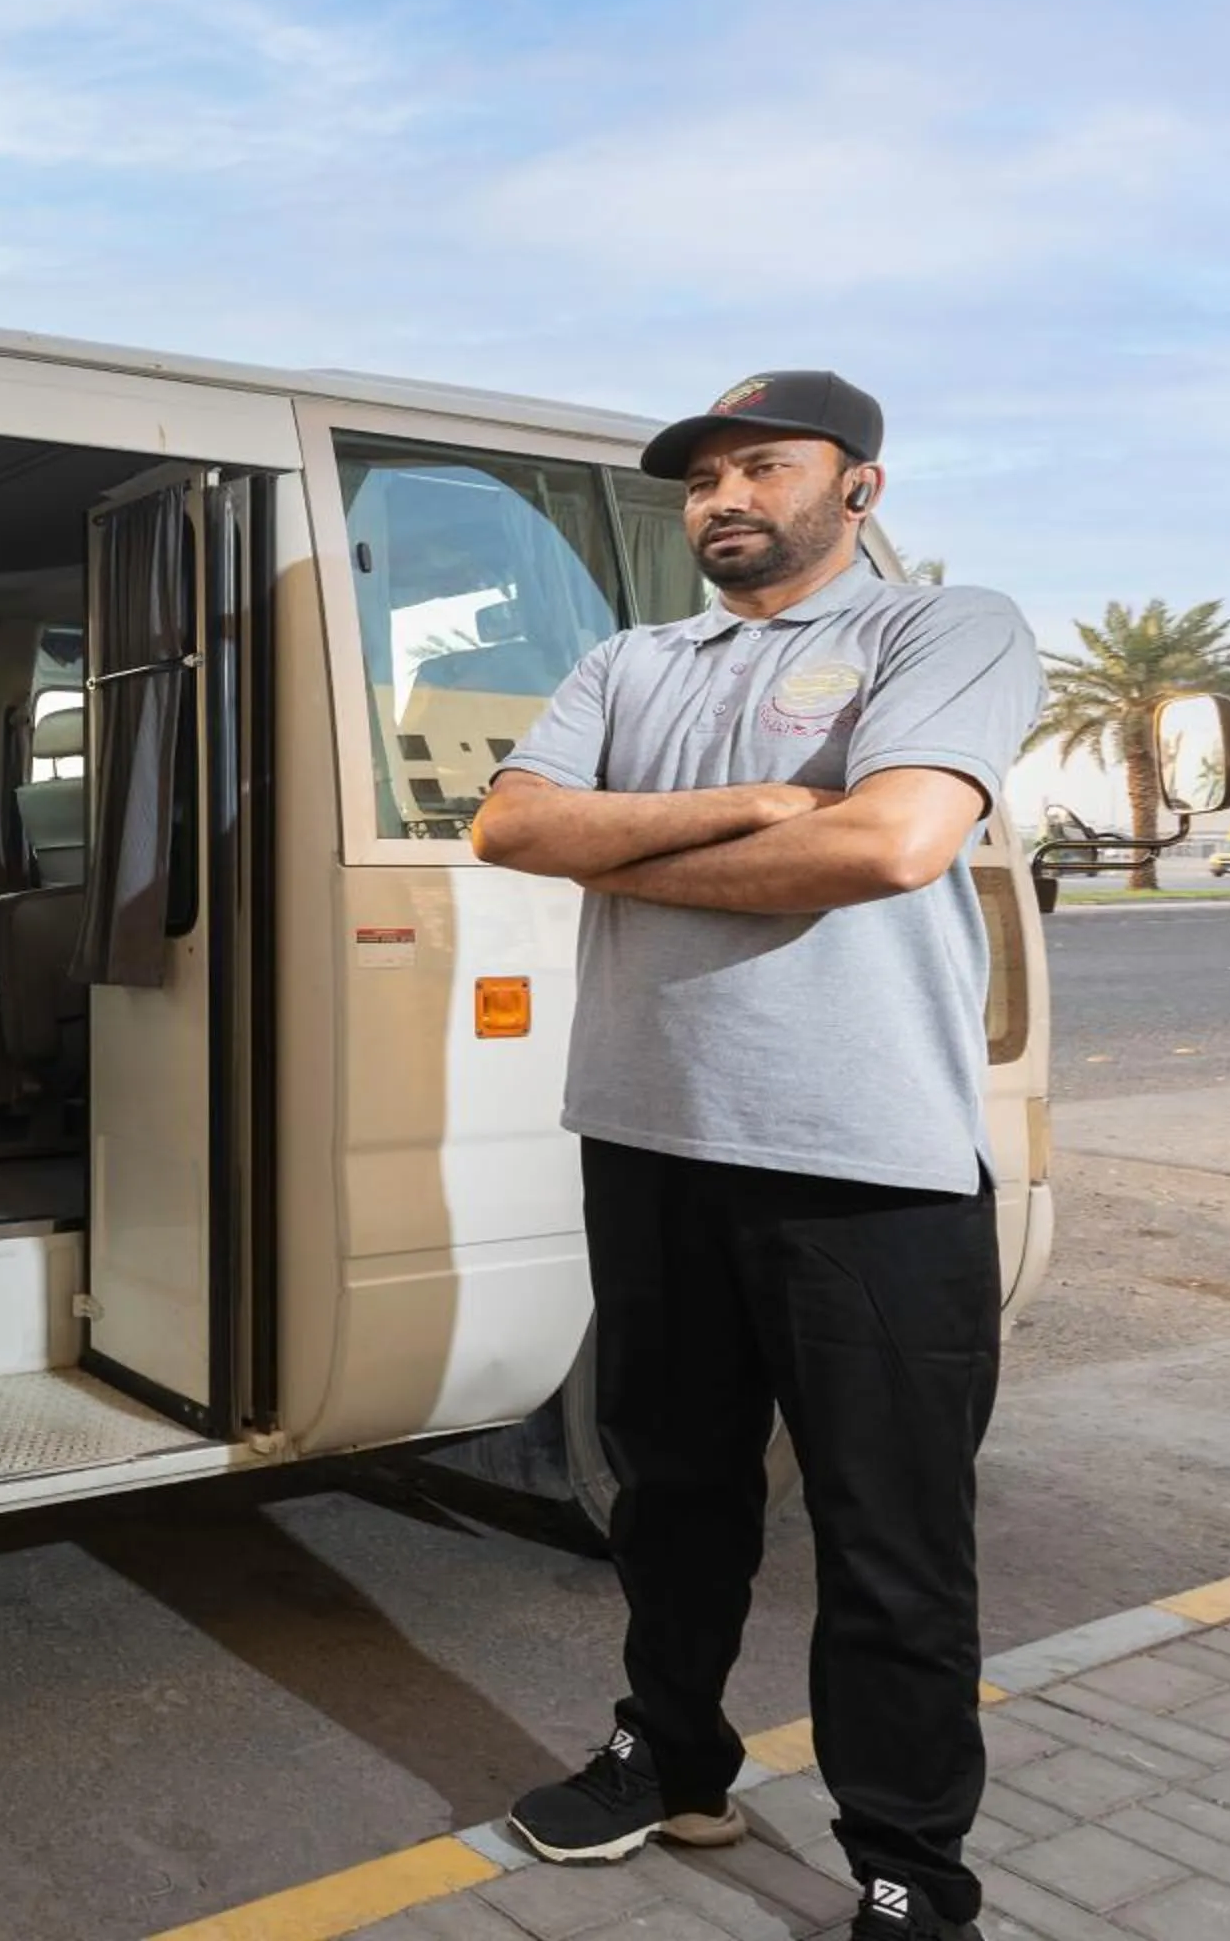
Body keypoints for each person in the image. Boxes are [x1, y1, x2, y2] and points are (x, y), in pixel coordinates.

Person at [470, 371, 1043, 1941]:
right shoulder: (630, 660)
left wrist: (629, 844)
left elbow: (890, 842)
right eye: (703, 478)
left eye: (764, 466)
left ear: (857, 486)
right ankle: (670, 1758)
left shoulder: (941, 628)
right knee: (671, 1496)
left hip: (871, 1168)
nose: (725, 497)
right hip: (650, 1137)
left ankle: (910, 1866)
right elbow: (512, 829)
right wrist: (748, 810)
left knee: (890, 1539)